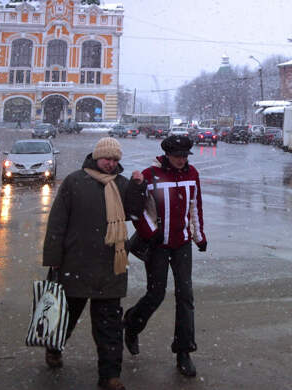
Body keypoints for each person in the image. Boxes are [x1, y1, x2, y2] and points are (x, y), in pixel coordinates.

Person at [42, 137, 146, 390]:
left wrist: (137, 187)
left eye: (115, 160)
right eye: (107, 159)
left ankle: (110, 376)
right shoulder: (74, 182)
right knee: (66, 317)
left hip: (110, 267)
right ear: (96, 157)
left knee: (109, 326)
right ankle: (54, 348)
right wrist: (53, 259)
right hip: (75, 264)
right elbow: (57, 222)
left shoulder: (121, 185)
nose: (110, 164)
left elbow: (134, 215)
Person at [123, 135, 208, 378]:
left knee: (185, 295)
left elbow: (195, 206)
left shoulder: (192, 174)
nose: (182, 160)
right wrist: (152, 233)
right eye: (177, 156)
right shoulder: (151, 175)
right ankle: (132, 324)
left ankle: (184, 351)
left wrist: (199, 237)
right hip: (158, 245)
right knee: (156, 293)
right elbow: (137, 212)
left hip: (181, 244)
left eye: (184, 156)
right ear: (167, 155)